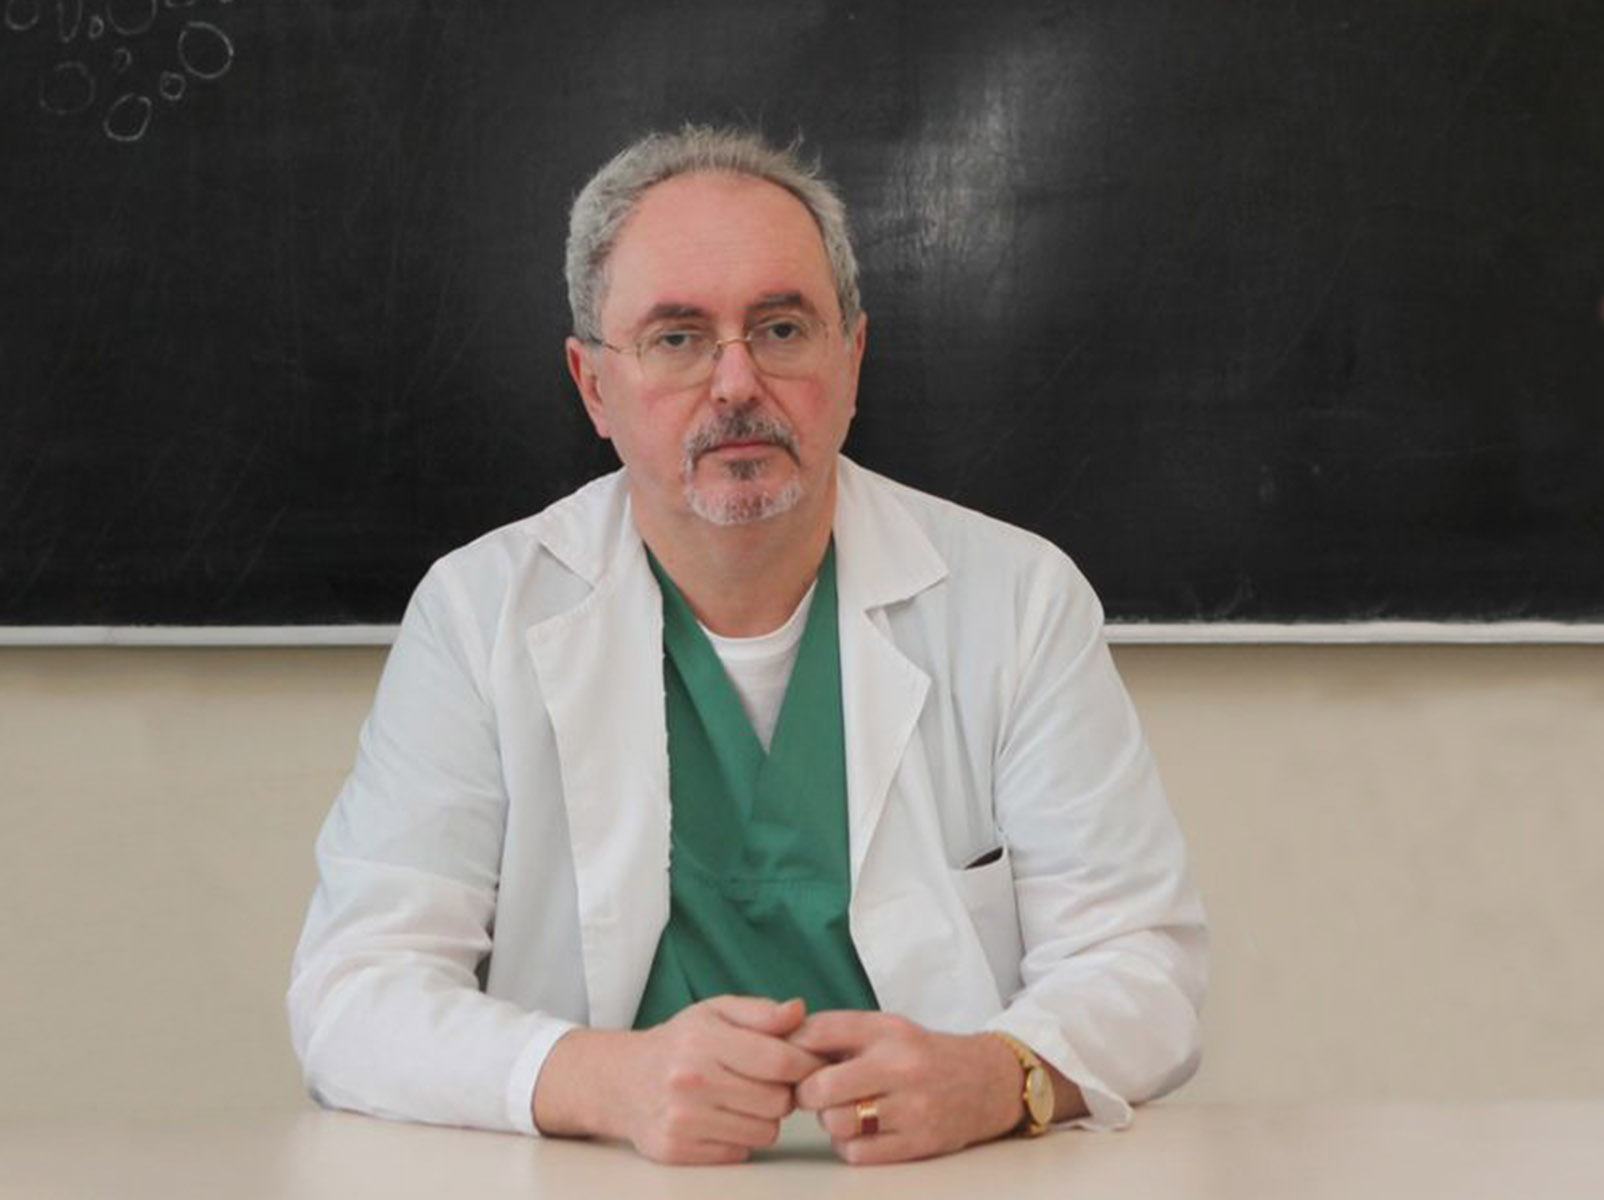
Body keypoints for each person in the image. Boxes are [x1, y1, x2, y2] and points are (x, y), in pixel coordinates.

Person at [288, 125, 1207, 1166]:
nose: (734, 384)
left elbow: (1142, 961)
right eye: (677, 338)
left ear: (851, 360)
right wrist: (604, 1080)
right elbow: (352, 991)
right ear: (593, 386)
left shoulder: (1017, 600)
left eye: (780, 329)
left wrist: (997, 1075)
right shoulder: (478, 613)